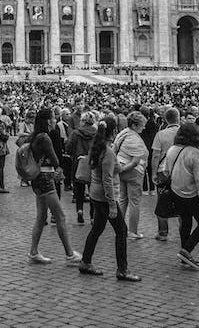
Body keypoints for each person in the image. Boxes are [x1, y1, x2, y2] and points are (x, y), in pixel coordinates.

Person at [78, 120, 139, 281]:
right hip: (105, 197)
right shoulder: (108, 153)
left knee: (97, 228)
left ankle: (85, 261)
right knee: (121, 231)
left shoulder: (97, 149)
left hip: (95, 194)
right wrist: (112, 205)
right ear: (113, 133)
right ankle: (122, 269)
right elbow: (108, 179)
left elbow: (116, 169)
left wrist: (132, 164)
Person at [27, 108, 83, 265]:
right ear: (47, 121)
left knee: (41, 217)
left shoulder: (35, 136)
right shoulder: (45, 137)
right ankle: (70, 254)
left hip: (38, 178)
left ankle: (34, 252)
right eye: (53, 118)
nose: (55, 120)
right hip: (46, 178)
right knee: (60, 216)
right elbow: (55, 159)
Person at [162, 124, 199, 269]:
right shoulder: (195, 153)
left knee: (185, 222)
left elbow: (166, 170)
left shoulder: (172, 149)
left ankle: (185, 255)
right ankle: (186, 250)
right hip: (192, 193)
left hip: (175, 191)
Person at [112, 112, 148, 239]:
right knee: (135, 202)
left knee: (123, 199)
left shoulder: (122, 133)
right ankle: (133, 231)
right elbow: (135, 162)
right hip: (133, 172)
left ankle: (119, 228)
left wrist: (119, 169)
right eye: (142, 125)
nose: (143, 128)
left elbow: (115, 148)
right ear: (134, 125)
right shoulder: (135, 140)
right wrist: (123, 169)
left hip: (121, 167)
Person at [151, 108, 180, 240]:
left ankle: (163, 232)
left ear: (166, 119)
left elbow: (156, 156)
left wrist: (153, 173)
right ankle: (183, 230)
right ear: (178, 118)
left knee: (162, 201)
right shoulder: (184, 132)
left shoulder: (161, 134)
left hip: (163, 171)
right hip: (180, 170)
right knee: (181, 200)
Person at [64, 111, 98, 224]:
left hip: (78, 162)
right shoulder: (96, 133)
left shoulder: (75, 133)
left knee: (79, 189)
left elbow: (69, 147)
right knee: (92, 189)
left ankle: (80, 210)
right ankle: (93, 216)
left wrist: (73, 153)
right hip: (92, 162)